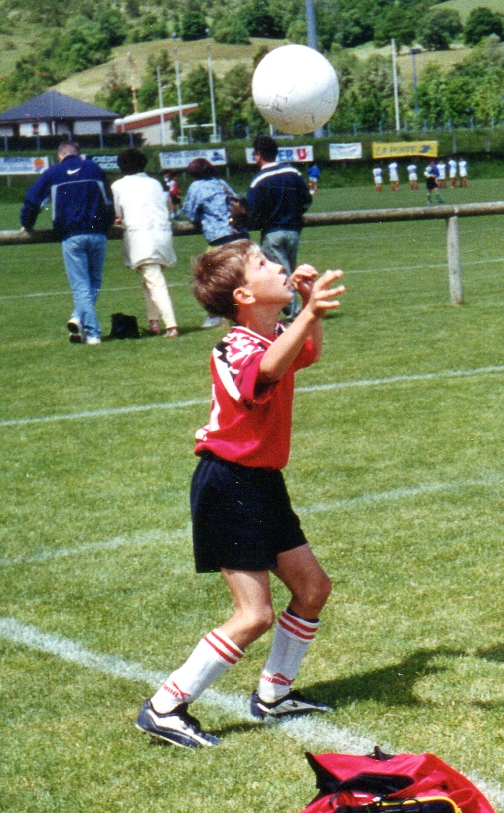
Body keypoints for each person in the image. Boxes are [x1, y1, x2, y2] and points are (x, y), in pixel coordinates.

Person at [136, 238, 345, 749]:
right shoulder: (235, 346)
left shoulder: (272, 333)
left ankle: (274, 695)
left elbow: (305, 353)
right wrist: (308, 310)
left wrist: (308, 311)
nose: (277, 265)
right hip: (228, 483)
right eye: (262, 264)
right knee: (254, 614)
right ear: (244, 297)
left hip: (259, 481)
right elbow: (267, 372)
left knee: (313, 588)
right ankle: (166, 706)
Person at [20, 140, 115, 345]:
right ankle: (78, 318)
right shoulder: (95, 169)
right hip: (98, 234)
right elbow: (109, 201)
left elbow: (32, 199)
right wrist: (106, 226)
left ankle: (92, 332)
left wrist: (26, 223)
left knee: (80, 285)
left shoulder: (53, 173)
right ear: (79, 154)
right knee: (94, 281)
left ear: (60, 155)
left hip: (71, 235)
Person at [112, 148, 178, 338]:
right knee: (150, 280)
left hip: (142, 237)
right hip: (163, 235)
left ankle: (171, 325)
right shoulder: (155, 183)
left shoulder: (118, 186)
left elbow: (118, 214)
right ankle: (153, 322)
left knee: (155, 282)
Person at [246, 135, 312, 321]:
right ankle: (297, 309)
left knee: (280, 275)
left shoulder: (259, 180)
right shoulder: (293, 173)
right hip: (293, 231)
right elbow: (306, 201)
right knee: (289, 271)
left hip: (272, 232)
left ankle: (295, 313)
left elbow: (252, 211)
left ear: (258, 155)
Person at [183, 156, 249, 328]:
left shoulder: (196, 186)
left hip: (220, 237)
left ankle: (215, 315)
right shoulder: (222, 183)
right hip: (240, 234)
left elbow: (189, 212)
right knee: (243, 275)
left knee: (210, 276)